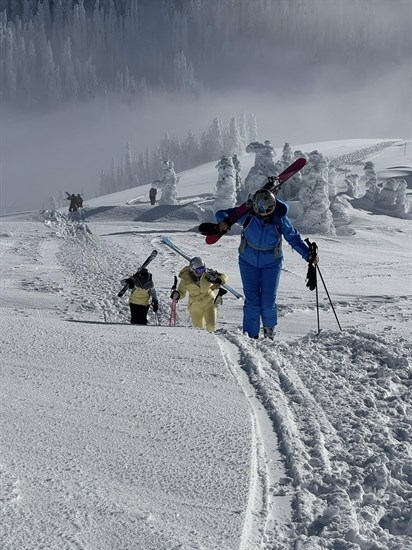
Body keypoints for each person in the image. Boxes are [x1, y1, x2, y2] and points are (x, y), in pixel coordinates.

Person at [215, 189, 318, 340]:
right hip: (247, 262)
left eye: (269, 211)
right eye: (262, 212)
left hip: (272, 263)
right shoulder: (248, 214)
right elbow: (221, 213)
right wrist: (224, 221)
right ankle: (251, 336)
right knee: (252, 302)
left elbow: (294, 238)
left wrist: (308, 255)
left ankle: (269, 331)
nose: (265, 215)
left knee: (268, 301)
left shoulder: (280, 219)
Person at [171, 257, 228, 333]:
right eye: (199, 270)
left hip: (209, 303)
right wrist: (177, 295)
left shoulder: (208, 274)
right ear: (192, 270)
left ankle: (211, 342)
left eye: (203, 269)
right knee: (198, 329)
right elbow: (181, 292)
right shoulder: (185, 279)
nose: (202, 272)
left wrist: (219, 280)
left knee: (211, 326)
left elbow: (224, 276)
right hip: (195, 306)